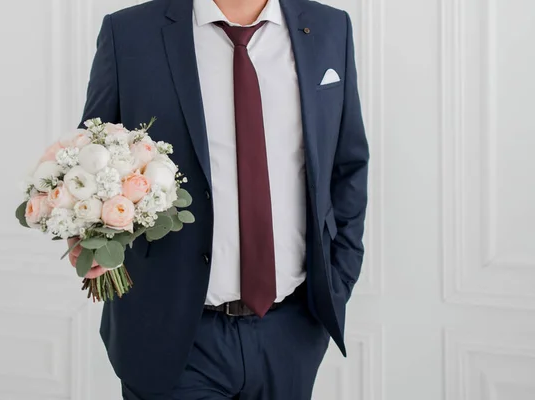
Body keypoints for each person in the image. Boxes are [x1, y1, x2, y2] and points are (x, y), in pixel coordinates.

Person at [71, 0, 369, 398]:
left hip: (292, 330)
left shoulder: (330, 28)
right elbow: (92, 161)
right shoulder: (129, 33)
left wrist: (339, 279)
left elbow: (347, 165)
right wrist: (87, 234)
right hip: (173, 338)